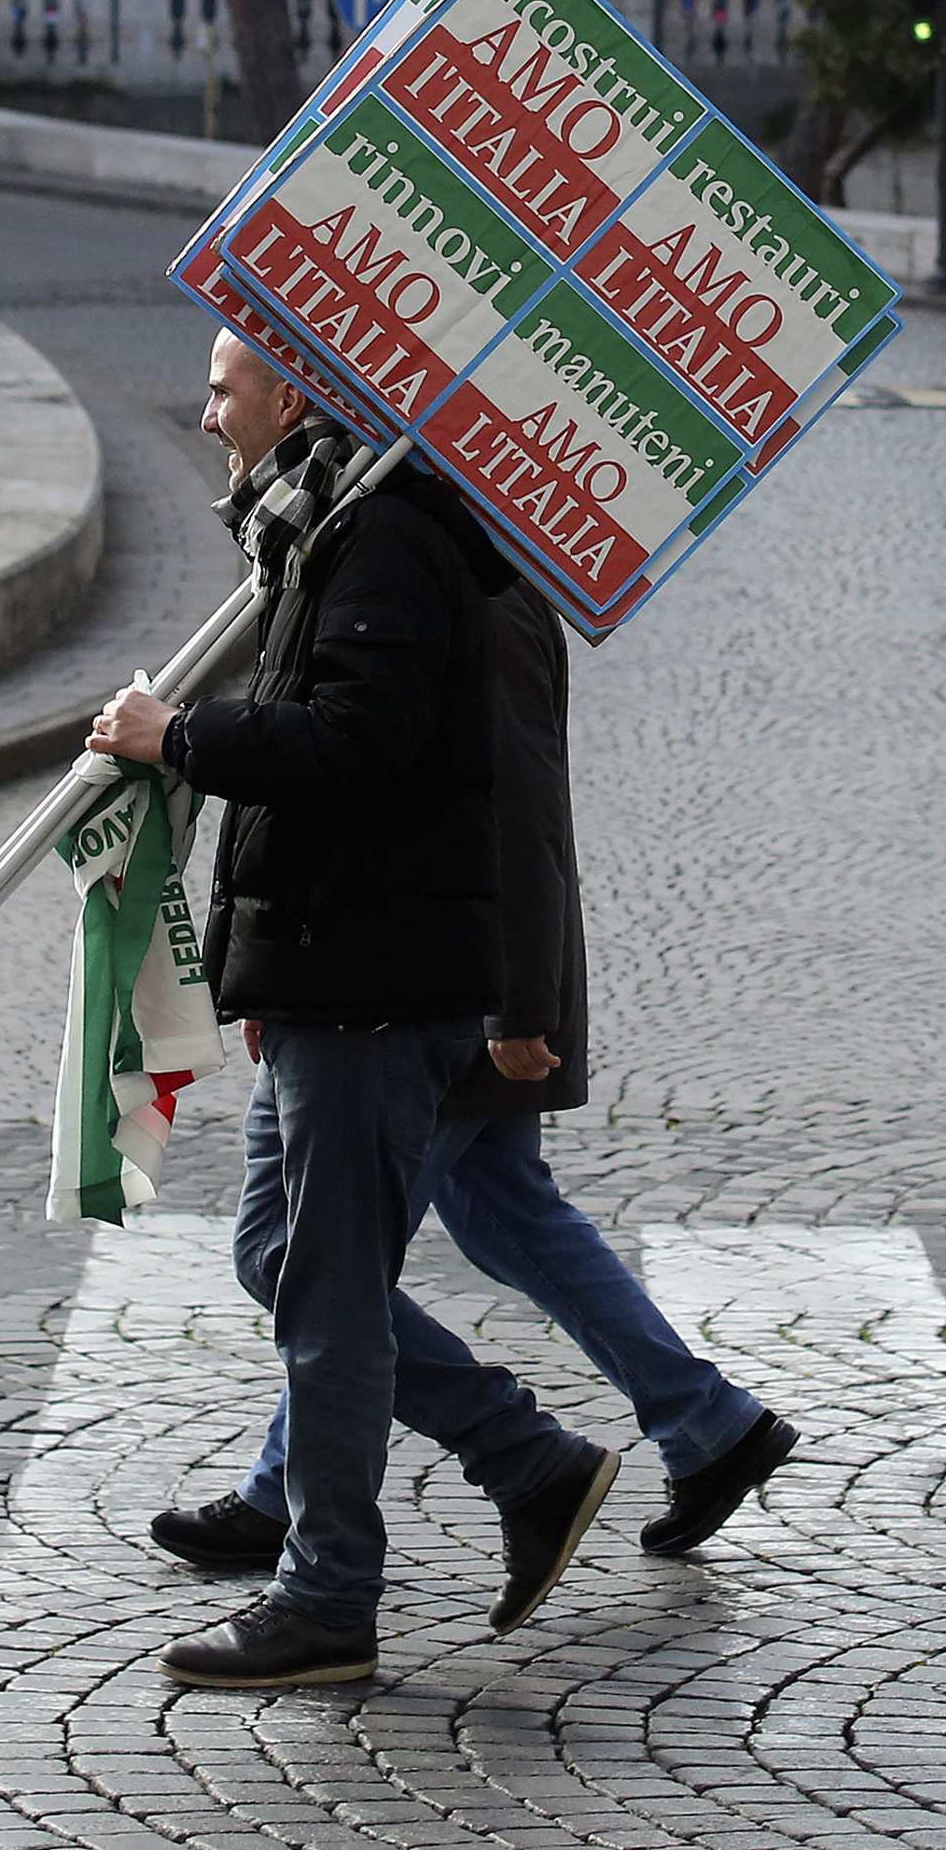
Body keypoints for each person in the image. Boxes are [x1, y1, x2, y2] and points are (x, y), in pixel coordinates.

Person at [88, 334, 617, 1690]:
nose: (207, 416)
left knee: (326, 1304)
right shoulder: (322, 533)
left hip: (373, 990)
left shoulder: (379, 538)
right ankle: (528, 1460)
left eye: (223, 388)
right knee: (287, 1265)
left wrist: (180, 736)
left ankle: (329, 1600)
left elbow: (352, 749)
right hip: (330, 978)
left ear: (301, 394)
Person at [147, 574, 799, 1580]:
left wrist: (517, 1006)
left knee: (316, 1259)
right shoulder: (437, 568)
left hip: (454, 988)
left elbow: (520, 801)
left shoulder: (467, 592)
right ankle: (711, 1424)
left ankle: (423, 1474)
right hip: (460, 976)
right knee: (501, 1215)